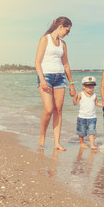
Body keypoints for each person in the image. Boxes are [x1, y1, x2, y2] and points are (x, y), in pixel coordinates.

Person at [35, 16, 76, 151]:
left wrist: (71, 84)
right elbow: (37, 62)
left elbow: (66, 64)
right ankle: (42, 135)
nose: (67, 33)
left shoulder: (63, 44)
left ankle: (57, 143)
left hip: (60, 79)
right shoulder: (44, 39)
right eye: (67, 30)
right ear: (60, 27)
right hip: (45, 77)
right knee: (48, 109)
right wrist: (42, 80)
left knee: (58, 110)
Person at [73, 76, 104, 150]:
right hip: (82, 117)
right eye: (89, 87)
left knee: (92, 131)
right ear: (83, 86)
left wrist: (103, 104)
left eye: (92, 87)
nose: (91, 89)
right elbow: (75, 103)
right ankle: (82, 143)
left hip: (92, 117)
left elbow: (97, 103)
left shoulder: (94, 95)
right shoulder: (80, 94)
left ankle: (92, 144)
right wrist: (73, 97)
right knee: (81, 131)